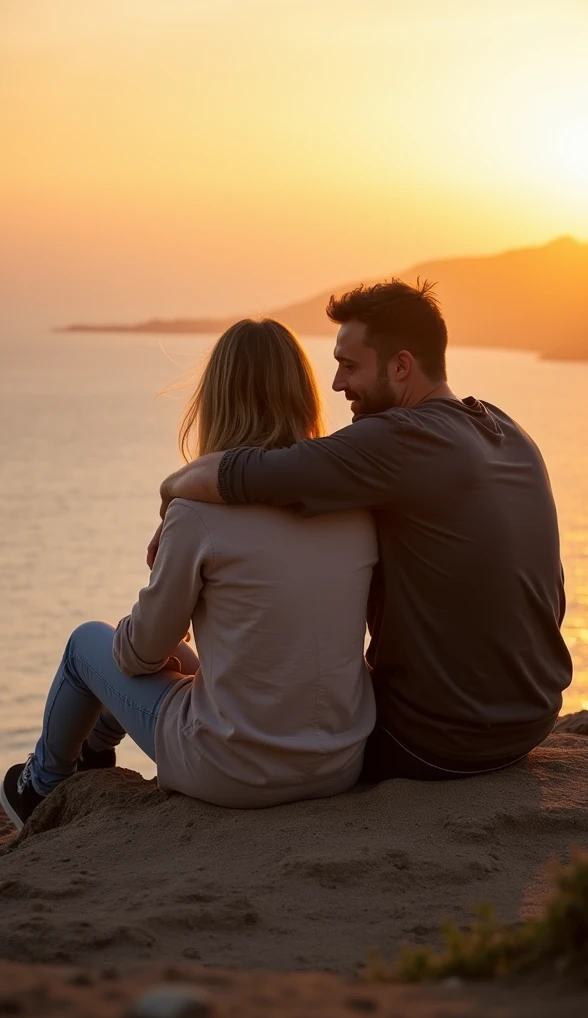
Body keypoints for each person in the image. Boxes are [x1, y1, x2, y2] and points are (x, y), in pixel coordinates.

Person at [154, 280, 573, 783]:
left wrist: (172, 488)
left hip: (434, 743)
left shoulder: (400, 438)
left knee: (188, 673)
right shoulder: (507, 431)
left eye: (349, 366)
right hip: (532, 720)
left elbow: (252, 473)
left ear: (401, 366)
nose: (335, 384)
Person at [1, 319, 377, 831]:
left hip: (235, 772)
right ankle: (93, 756)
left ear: (216, 399)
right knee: (175, 661)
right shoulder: (353, 507)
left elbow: (139, 653)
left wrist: (165, 601)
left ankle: (40, 785)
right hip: (339, 762)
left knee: (88, 645)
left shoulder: (198, 514)